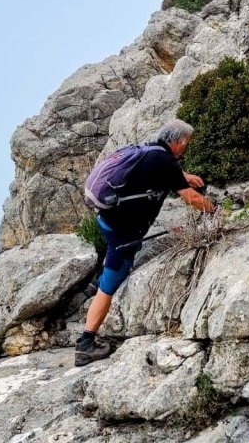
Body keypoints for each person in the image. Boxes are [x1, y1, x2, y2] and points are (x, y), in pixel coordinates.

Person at [75, 119, 215, 366]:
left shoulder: (151, 152)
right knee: (112, 282)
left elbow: (162, 174)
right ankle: (86, 344)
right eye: (185, 144)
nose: (186, 148)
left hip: (108, 221)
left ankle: (95, 282)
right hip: (122, 233)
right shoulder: (166, 162)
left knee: (118, 257)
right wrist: (214, 210)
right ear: (177, 142)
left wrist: (185, 176)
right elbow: (191, 198)